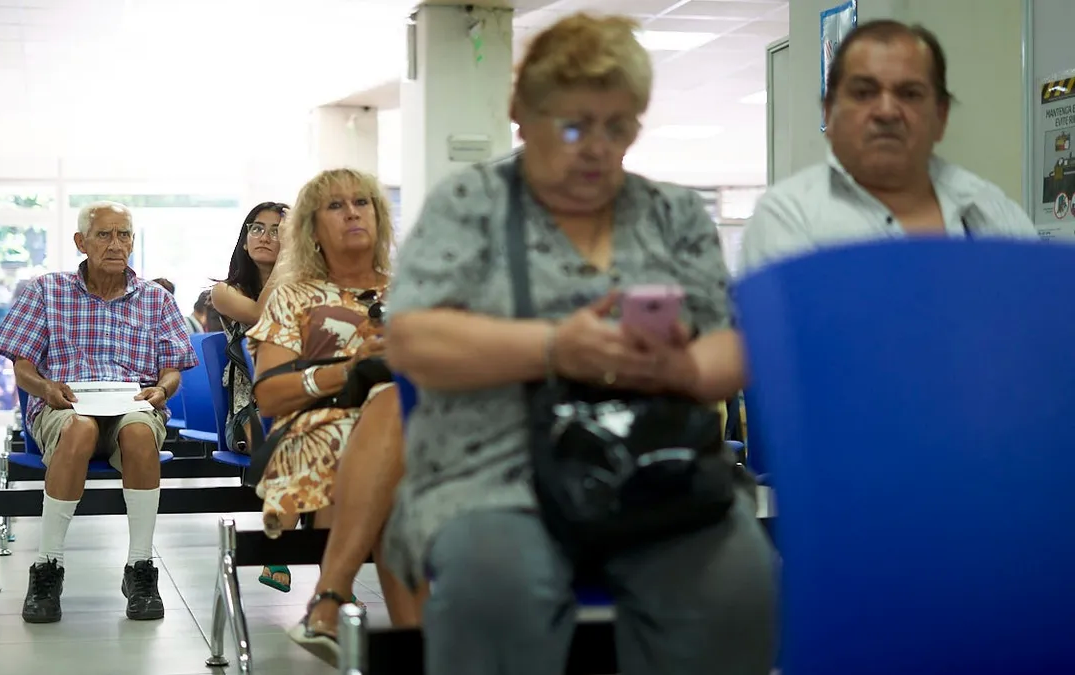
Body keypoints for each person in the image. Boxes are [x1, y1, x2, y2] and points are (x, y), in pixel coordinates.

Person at [381, 14, 776, 675]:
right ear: (521, 115)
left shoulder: (673, 215)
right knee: (496, 590)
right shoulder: (469, 205)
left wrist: (681, 364)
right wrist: (553, 346)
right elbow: (412, 338)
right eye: (573, 125)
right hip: (495, 473)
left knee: (738, 584)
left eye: (617, 127)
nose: (596, 147)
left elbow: (727, 350)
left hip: (653, 464)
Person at [246, 169, 424, 663]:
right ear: (311, 228)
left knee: (398, 421)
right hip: (316, 432)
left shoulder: (413, 293)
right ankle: (414, 640)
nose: (352, 212)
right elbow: (270, 398)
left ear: (379, 215)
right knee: (390, 408)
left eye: (363, 202)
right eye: (336, 206)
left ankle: (329, 602)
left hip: (415, 437)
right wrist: (350, 371)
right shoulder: (292, 296)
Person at [0, 201, 198, 624]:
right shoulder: (45, 290)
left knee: (140, 433)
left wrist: (160, 390)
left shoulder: (156, 299)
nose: (115, 244)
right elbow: (23, 368)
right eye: (104, 234)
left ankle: (140, 568)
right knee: (80, 430)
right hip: (67, 402)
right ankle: (47, 567)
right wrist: (46, 389)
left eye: (124, 235)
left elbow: (173, 369)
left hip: (131, 404)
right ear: (81, 242)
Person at [741, 20, 1036, 272]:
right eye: (864, 93)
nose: (886, 111)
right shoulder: (788, 217)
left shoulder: (990, 211)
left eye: (909, 94)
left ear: (941, 116)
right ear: (828, 113)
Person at [210, 201, 290, 590]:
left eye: (278, 231)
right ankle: (278, 552)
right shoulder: (224, 292)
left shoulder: (306, 291)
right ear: (243, 239)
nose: (265, 237)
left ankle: (333, 584)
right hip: (248, 414)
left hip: (298, 405)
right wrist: (287, 262)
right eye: (256, 228)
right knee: (293, 444)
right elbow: (262, 314)